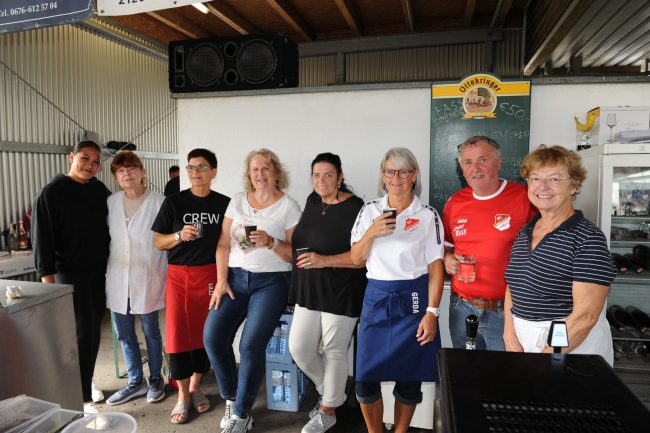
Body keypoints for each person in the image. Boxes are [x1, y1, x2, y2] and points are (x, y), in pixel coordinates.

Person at [204, 148, 301, 433]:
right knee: (213, 337)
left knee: (249, 346)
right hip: (234, 279)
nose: (261, 174)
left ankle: (242, 414)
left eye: (266, 168)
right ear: (249, 174)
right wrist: (221, 281)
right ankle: (232, 397)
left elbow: (295, 255)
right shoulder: (236, 201)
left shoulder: (289, 206)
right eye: (255, 169)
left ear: (276, 172)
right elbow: (223, 244)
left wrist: (271, 242)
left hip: (271, 282)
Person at [350, 147, 444, 433]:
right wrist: (372, 232)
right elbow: (356, 259)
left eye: (403, 172)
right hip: (376, 299)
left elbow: (436, 268)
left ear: (414, 175)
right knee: (365, 379)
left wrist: (432, 313)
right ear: (383, 175)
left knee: (409, 377)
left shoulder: (427, 215)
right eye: (390, 171)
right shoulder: (369, 211)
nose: (396, 178)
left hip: (414, 301)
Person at [504, 145, 616, 364]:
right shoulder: (525, 232)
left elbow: (585, 317)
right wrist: (510, 337)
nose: (542, 187)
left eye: (554, 179)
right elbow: (513, 286)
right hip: (524, 342)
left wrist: (545, 358)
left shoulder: (588, 238)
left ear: (574, 185)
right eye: (535, 178)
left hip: (570, 348)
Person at [288, 153, 367, 433]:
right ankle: (331, 394)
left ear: (340, 177)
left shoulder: (356, 207)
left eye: (328, 175)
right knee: (299, 348)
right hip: (309, 288)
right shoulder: (312, 201)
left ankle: (328, 411)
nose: (321, 181)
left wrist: (323, 260)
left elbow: (361, 257)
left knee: (334, 350)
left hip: (341, 289)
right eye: (316, 175)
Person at [31, 140, 111, 413]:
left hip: (98, 274)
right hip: (69, 276)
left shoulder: (98, 190)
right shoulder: (51, 193)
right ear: (71, 157)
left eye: (96, 161)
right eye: (85, 158)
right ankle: (82, 399)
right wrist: (51, 292)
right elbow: (42, 243)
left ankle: (85, 381)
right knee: (80, 335)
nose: (90, 165)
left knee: (91, 333)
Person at [152, 149, 230, 424]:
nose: (196, 172)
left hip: (209, 276)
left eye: (202, 166)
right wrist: (178, 235)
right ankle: (182, 395)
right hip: (178, 275)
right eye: (191, 167)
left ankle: (196, 388)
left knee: (204, 333)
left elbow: (229, 242)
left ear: (213, 171)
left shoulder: (224, 204)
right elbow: (157, 242)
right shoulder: (174, 202)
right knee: (177, 335)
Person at [442, 136, 536, 350]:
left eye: (482, 160)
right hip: (461, 308)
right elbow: (446, 243)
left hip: (506, 312)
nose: (475, 168)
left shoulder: (525, 198)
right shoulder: (454, 203)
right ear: (461, 169)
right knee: (465, 368)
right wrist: (447, 258)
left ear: (499, 162)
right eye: (468, 162)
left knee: (503, 370)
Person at [105, 151, 167, 406]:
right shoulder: (111, 202)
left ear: (142, 172)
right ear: (116, 177)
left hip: (149, 276)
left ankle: (156, 379)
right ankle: (135, 382)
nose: (127, 174)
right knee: (123, 333)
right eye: (121, 171)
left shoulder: (159, 202)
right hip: (118, 277)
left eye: (131, 168)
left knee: (151, 330)